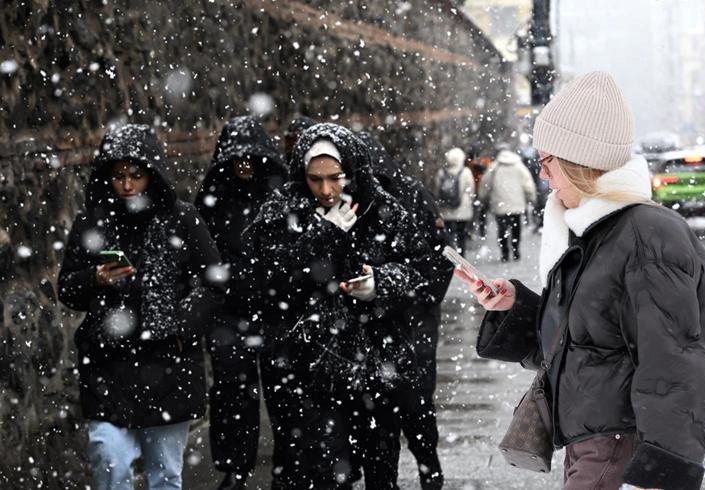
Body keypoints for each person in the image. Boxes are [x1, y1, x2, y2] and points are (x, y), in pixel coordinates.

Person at [455, 72, 705, 490]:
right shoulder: (597, 231)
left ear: (578, 162)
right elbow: (587, 344)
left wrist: (658, 475)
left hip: (623, 449)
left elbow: (674, 363)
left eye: (548, 161)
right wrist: (515, 307)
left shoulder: (644, 236)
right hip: (596, 444)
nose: (544, 175)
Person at [236, 123, 432, 489]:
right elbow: (264, 281)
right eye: (315, 180)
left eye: (335, 178)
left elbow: (421, 272)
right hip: (307, 370)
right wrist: (321, 234)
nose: (326, 190)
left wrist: (380, 284)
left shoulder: (381, 209)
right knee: (319, 472)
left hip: (377, 364)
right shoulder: (281, 212)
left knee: (380, 468)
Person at [57, 124, 225, 490]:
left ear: (152, 173)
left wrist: (180, 326)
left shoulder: (181, 218)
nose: (128, 184)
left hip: (167, 364)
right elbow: (67, 288)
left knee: (164, 473)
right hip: (109, 365)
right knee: (110, 462)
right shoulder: (94, 221)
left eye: (136, 174)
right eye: (119, 175)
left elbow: (213, 282)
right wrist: (96, 278)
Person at [357, 131, 453, 490]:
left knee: (416, 400)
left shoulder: (409, 194)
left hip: (413, 322)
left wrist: (421, 299)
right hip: (374, 325)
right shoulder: (353, 200)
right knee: (377, 412)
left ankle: (429, 464)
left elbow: (442, 254)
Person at [194, 116, 286, 490]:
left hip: (276, 313)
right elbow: (199, 254)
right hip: (229, 314)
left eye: (251, 157)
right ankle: (235, 467)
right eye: (238, 157)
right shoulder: (213, 200)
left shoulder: (280, 198)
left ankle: (287, 465)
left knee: (283, 394)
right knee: (233, 394)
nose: (245, 164)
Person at [477, 149, 537, 261]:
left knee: (502, 229)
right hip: (517, 205)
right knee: (516, 228)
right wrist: (531, 198)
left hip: (500, 204)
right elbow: (528, 185)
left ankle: (504, 253)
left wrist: (483, 198)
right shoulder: (519, 167)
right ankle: (516, 250)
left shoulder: (494, 167)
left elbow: (485, 185)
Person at [434, 147, 475, 255]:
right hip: (462, 209)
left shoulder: (441, 172)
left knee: (449, 235)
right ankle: (462, 256)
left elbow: (437, 189)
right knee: (461, 234)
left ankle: (451, 256)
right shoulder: (466, 172)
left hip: (446, 209)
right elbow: (471, 189)